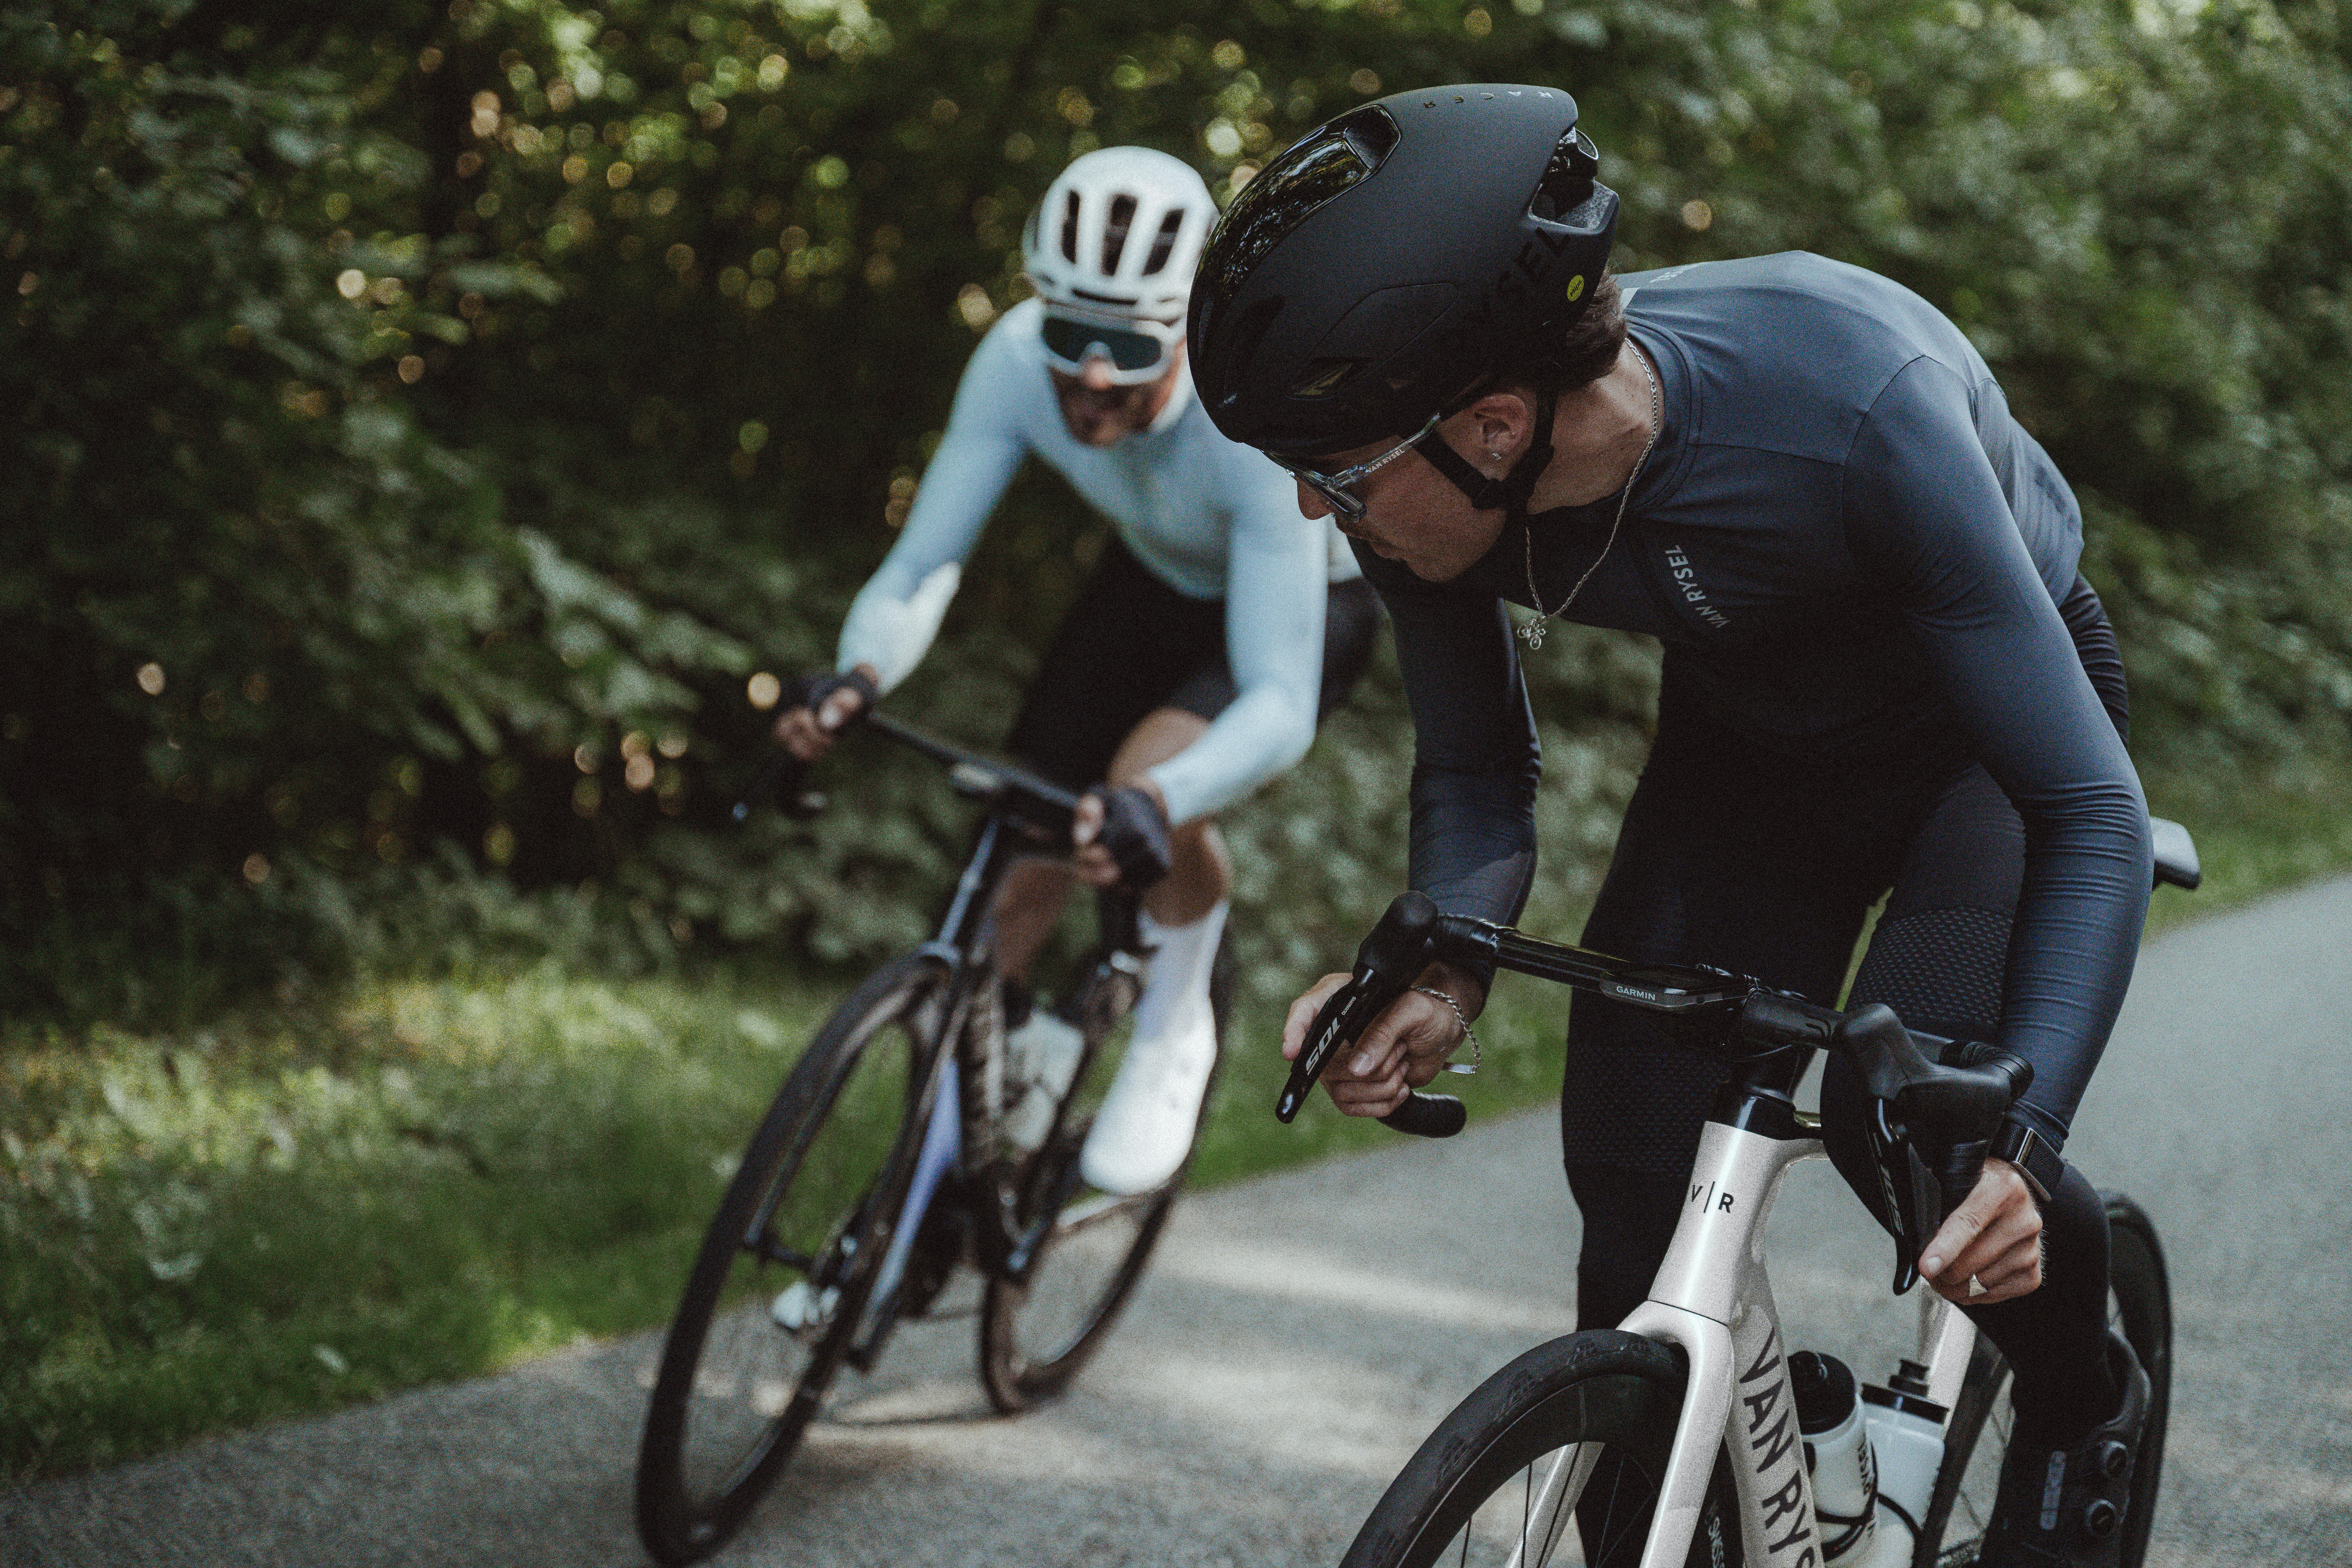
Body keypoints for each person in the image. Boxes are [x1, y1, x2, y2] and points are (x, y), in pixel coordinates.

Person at [1188, 86, 2155, 1568]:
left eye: (1330, 476)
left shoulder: (1855, 405)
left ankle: (2089, 1396)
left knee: (1920, 1135)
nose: (1322, 515)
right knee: (1633, 1164)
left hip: (1991, 757)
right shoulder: (1436, 472)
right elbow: (1475, 776)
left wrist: (2028, 1144)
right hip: (1749, 752)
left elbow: (2090, 808)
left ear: (1496, 424)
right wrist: (1445, 970)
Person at [778, 145, 1380, 1198]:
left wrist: (1161, 799)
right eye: (1072, 336)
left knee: (1144, 788)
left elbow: (1279, 703)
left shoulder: (1249, 422)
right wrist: (858, 674)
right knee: (1017, 874)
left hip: (1301, 605)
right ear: (1037, 313)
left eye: (1130, 348)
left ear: (1186, 333)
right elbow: (923, 563)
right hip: (1149, 582)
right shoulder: (1014, 363)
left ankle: (1173, 1024)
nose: (1093, 375)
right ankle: (907, 1217)